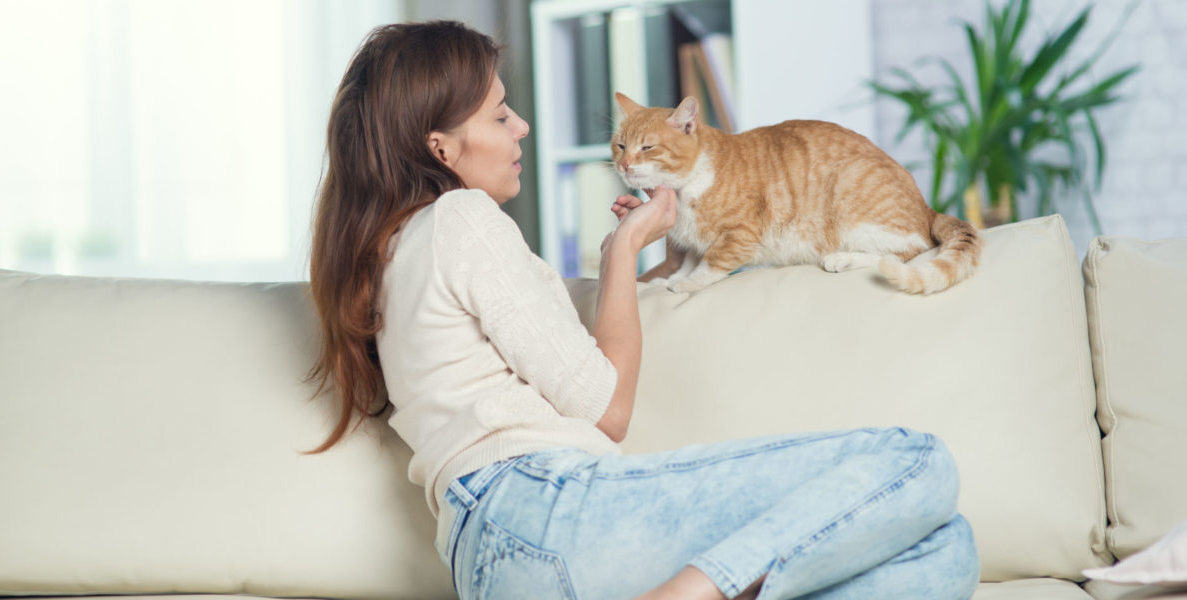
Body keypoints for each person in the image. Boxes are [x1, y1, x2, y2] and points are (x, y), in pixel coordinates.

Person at [307, 20, 980, 600]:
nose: (523, 126)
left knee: (945, 550)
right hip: (547, 509)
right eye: (499, 114)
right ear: (441, 148)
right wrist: (625, 247)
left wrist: (642, 254)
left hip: (496, 557)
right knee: (919, 461)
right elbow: (607, 407)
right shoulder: (462, 217)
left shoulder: (391, 250)